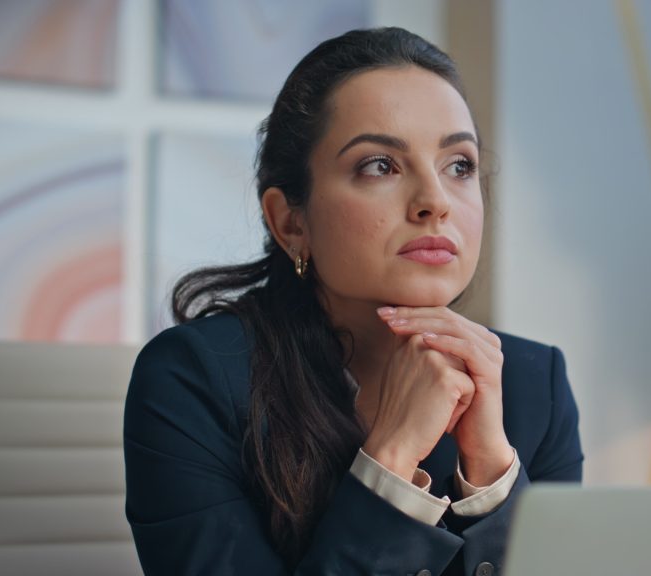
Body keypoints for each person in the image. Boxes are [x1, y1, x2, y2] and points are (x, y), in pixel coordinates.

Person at [123, 27, 582, 575]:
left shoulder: (535, 383)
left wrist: (490, 476)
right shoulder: (192, 379)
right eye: (379, 166)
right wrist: (389, 464)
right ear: (291, 221)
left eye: (459, 165)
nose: (435, 202)